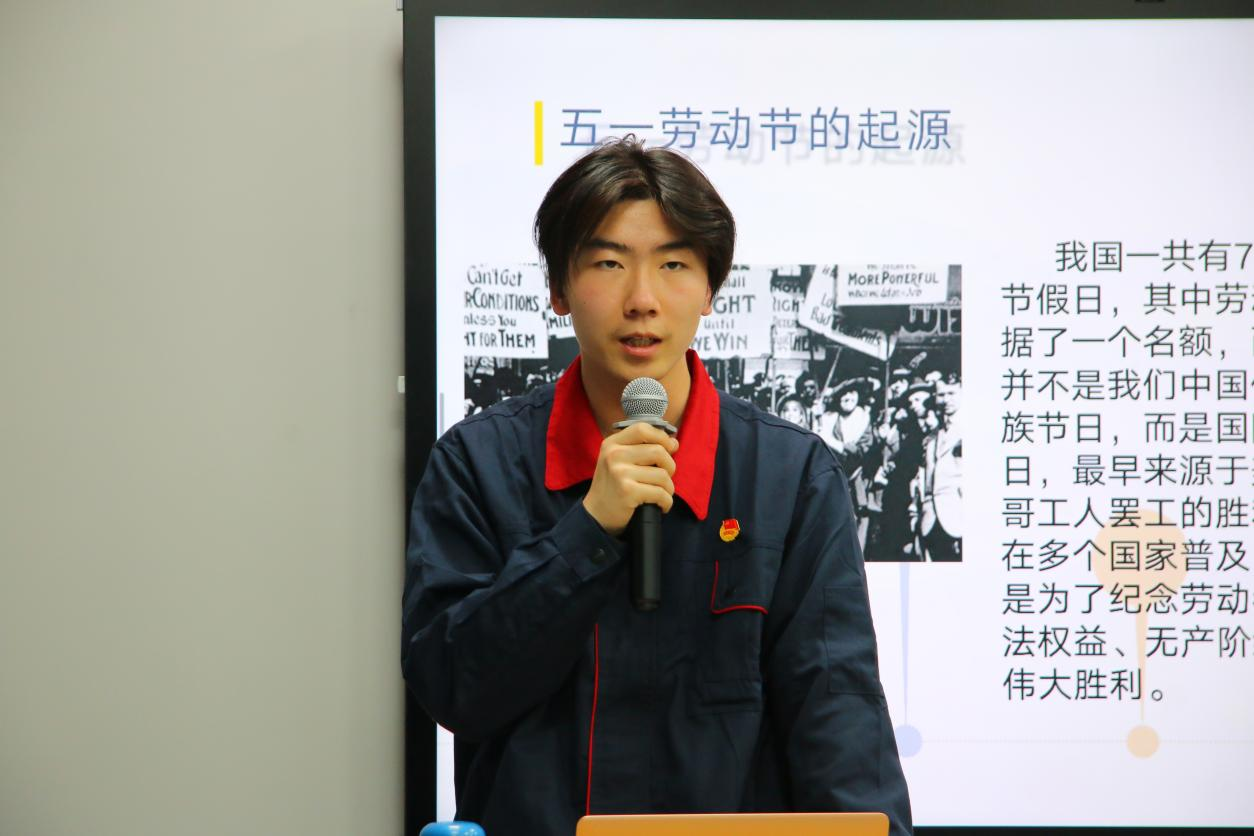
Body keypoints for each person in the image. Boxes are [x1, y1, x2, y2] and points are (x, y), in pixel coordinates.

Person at [402, 138, 911, 836]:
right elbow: (450, 687)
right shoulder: (478, 462)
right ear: (558, 289)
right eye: (608, 263)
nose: (641, 300)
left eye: (673, 265)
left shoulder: (789, 476)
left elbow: (838, 718)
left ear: (709, 289)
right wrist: (586, 532)